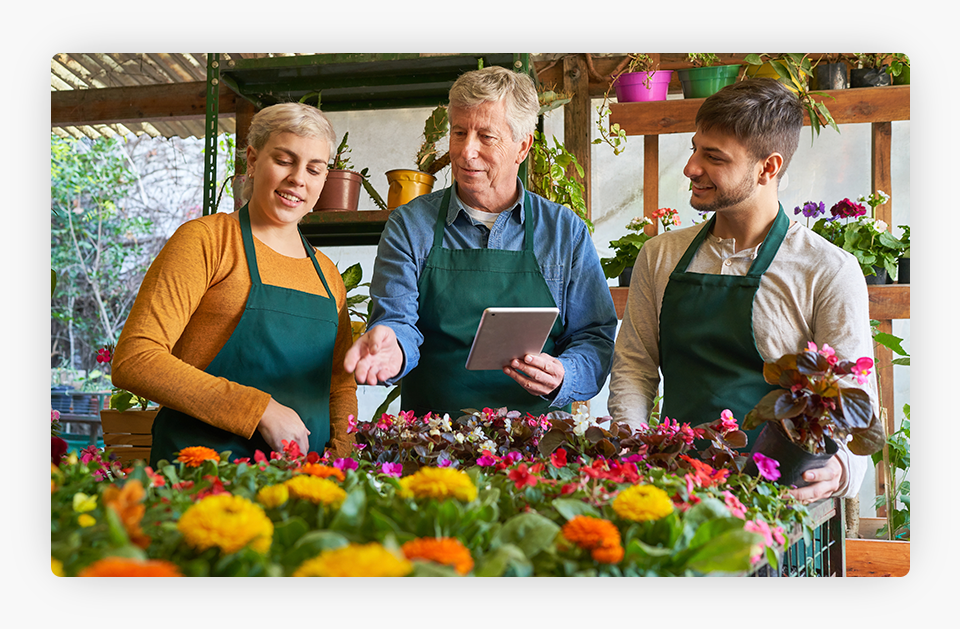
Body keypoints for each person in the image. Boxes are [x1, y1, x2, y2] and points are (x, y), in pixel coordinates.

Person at [607, 78, 876, 504]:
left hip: (778, 501)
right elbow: (635, 367)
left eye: (713, 157)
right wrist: (637, 452)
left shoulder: (826, 269)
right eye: (695, 148)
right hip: (675, 491)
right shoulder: (660, 256)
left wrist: (842, 468)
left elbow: (856, 402)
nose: (691, 167)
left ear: (768, 167)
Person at [344, 65, 617, 418]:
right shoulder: (410, 225)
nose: (466, 151)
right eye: (459, 132)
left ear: (522, 147)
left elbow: (593, 336)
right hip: (432, 441)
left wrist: (566, 374)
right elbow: (397, 321)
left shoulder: (564, 231)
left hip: (540, 444)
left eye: (486, 137)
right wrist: (391, 349)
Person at [112, 102, 357, 466]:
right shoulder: (206, 241)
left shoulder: (326, 274)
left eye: (314, 169)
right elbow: (136, 359)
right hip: (202, 474)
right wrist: (260, 410)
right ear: (253, 160)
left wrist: (341, 461)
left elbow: (340, 385)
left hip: (304, 484)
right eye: (285, 160)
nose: (298, 179)